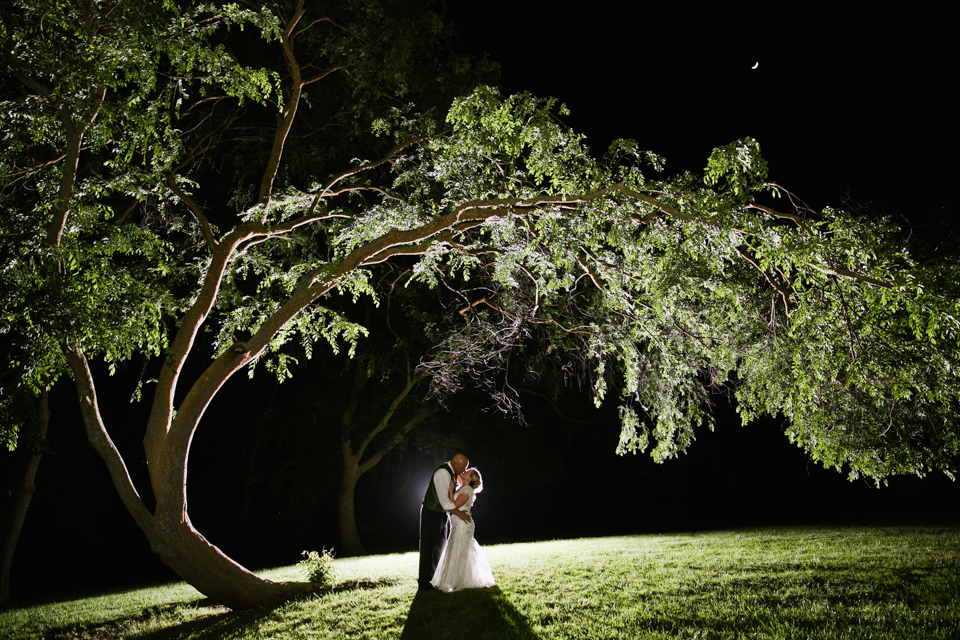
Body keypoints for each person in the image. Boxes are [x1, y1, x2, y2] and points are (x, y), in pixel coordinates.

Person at [430, 467, 495, 592]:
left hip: (462, 524)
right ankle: (455, 579)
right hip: (457, 523)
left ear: (469, 478)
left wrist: (450, 491)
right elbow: (458, 474)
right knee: (455, 548)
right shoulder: (463, 487)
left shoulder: (467, 490)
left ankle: (454, 580)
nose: (464, 472)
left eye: (467, 472)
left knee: (458, 548)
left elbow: (454, 505)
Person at [419, 454, 470, 590]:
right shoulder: (443, 473)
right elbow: (445, 501)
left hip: (441, 514)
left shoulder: (452, 473)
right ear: (456, 463)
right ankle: (424, 582)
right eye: (464, 467)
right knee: (428, 548)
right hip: (432, 513)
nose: (465, 470)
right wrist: (460, 514)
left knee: (438, 548)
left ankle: (435, 580)